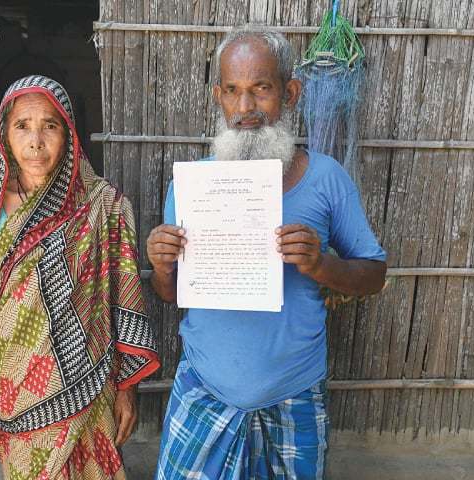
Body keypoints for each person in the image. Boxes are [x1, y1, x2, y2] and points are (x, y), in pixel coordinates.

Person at [149, 30, 387, 479]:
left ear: (290, 92)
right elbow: (171, 294)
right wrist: (162, 266)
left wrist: (323, 265)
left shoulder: (326, 179)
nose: (245, 110)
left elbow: (374, 274)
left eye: (262, 88)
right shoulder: (190, 188)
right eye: (233, 91)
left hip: (294, 394)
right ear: (218, 96)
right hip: (205, 390)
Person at [0, 75, 159, 479]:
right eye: (23, 126)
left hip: (91, 383)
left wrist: (126, 388)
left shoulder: (104, 205)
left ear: (68, 134)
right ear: (4, 133)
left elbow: (122, 302)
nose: (35, 141)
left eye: (49, 125)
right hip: (15, 387)